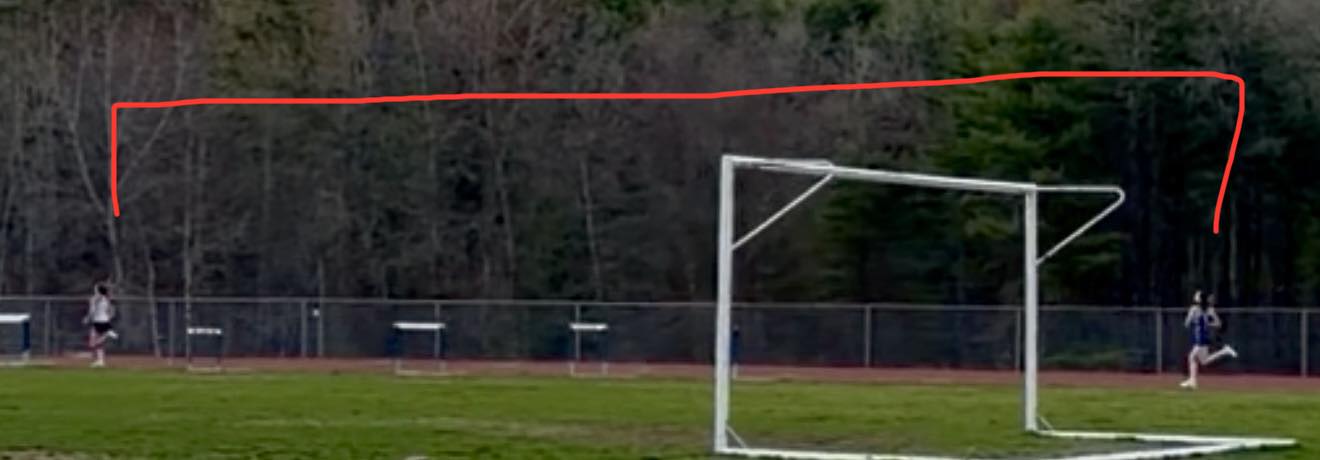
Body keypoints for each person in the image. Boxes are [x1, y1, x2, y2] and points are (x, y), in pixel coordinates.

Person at [1179, 290, 1237, 389]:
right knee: (1203, 361)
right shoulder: (1209, 309)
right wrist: (1208, 324)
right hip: (1204, 336)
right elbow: (1218, 323)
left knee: (1192, 357)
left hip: (1200, 337)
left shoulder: (1194, 309)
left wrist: (1198, 322)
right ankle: (1224, 351)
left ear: (1200, 299)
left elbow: (1186, 324)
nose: (1195, 296)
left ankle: (1192, 381)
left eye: (1197, 296)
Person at [84, 282, 119, 367]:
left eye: (96, 288)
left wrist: (87, 318)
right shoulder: (106, 299)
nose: (94, 289)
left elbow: (92, 310)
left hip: (98, 321)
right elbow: (111, 311)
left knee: (93, 342)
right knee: (97, 342)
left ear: (98, 290)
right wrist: (109, 316)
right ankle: (100, 361)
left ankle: (107, 334)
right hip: (104, 321)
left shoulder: (95, 298)